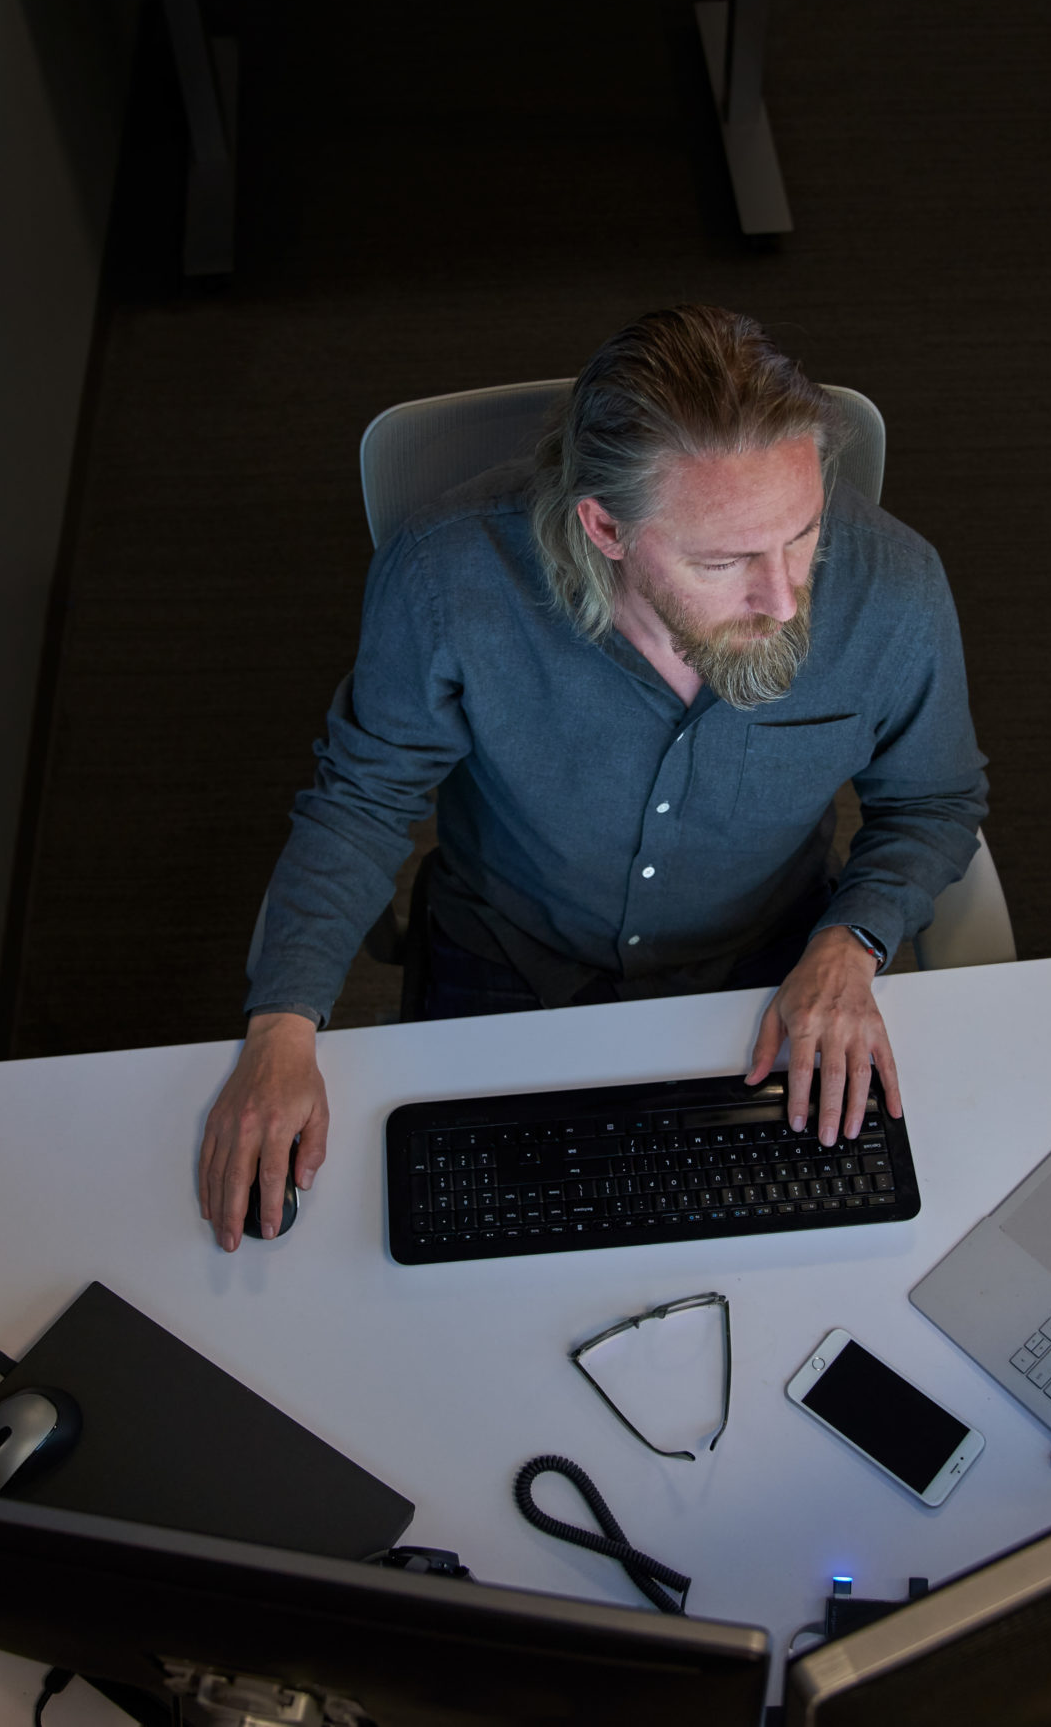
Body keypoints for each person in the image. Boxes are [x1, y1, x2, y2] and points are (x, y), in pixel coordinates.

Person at [198, 305, 989, 1250]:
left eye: (803, 534)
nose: (783, 599)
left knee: (803, 1251)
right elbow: (366, 797)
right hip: (508, 953)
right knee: (451, 1254)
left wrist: (852, 941)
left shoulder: (895, 586)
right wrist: (281, 1026)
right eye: (724, 559)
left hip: (768, 971)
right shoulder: (448, 575)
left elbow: (935, 803)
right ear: (606, 528)